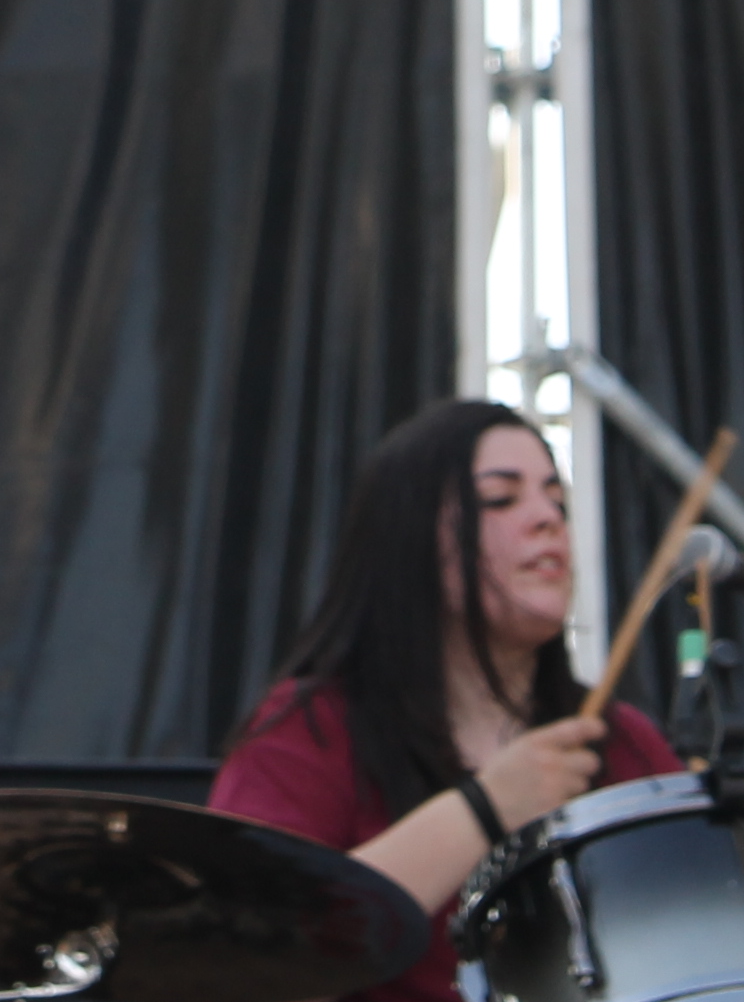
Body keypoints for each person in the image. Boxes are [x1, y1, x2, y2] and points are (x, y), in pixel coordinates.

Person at [209, 404, 680, 1002]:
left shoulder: (626, 744)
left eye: (557, 501)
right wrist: (485, 808)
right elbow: (242, 957)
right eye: (500, 500)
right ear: (410, 538)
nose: (547, 519)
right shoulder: (312, 731)